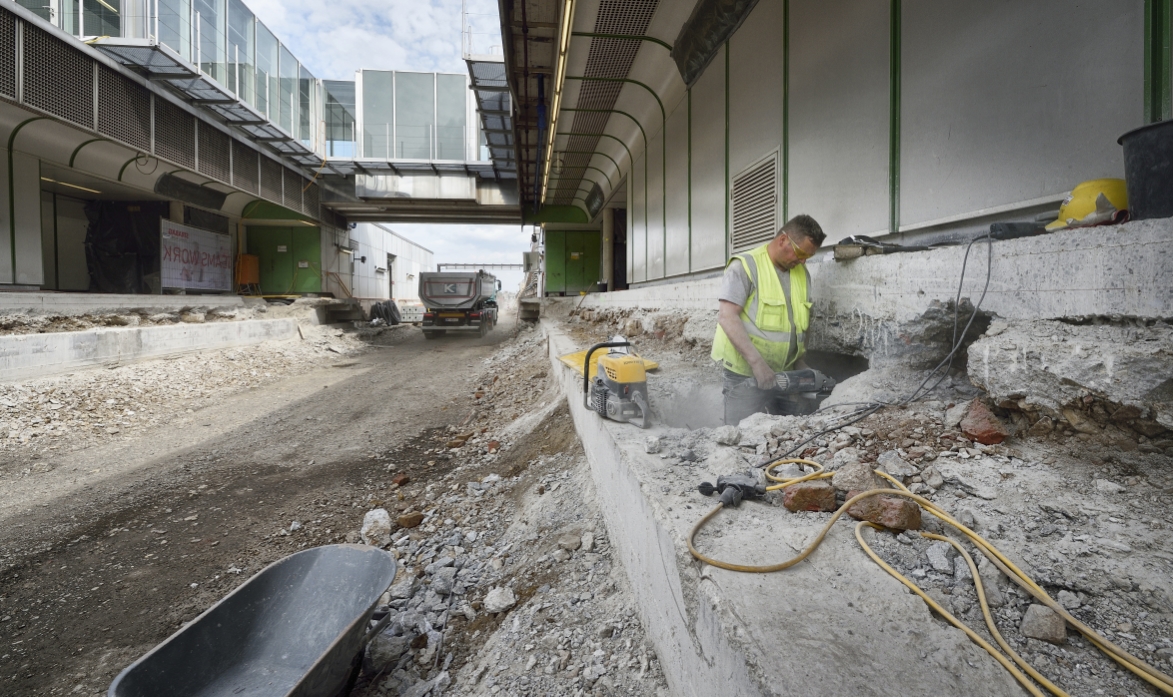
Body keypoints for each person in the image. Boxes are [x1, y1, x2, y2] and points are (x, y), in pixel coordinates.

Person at [711, 215, 826, 425]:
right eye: (800, 253)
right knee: (740, 436)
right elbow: (727, 317)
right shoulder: (745, 267)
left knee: (783, 437)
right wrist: (757, 364)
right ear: (783, 240)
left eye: (807, 257)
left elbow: (801, 320)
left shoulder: (802, 274)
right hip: (745, 374)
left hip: (784, 374)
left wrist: (799, 359)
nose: (802, 261)